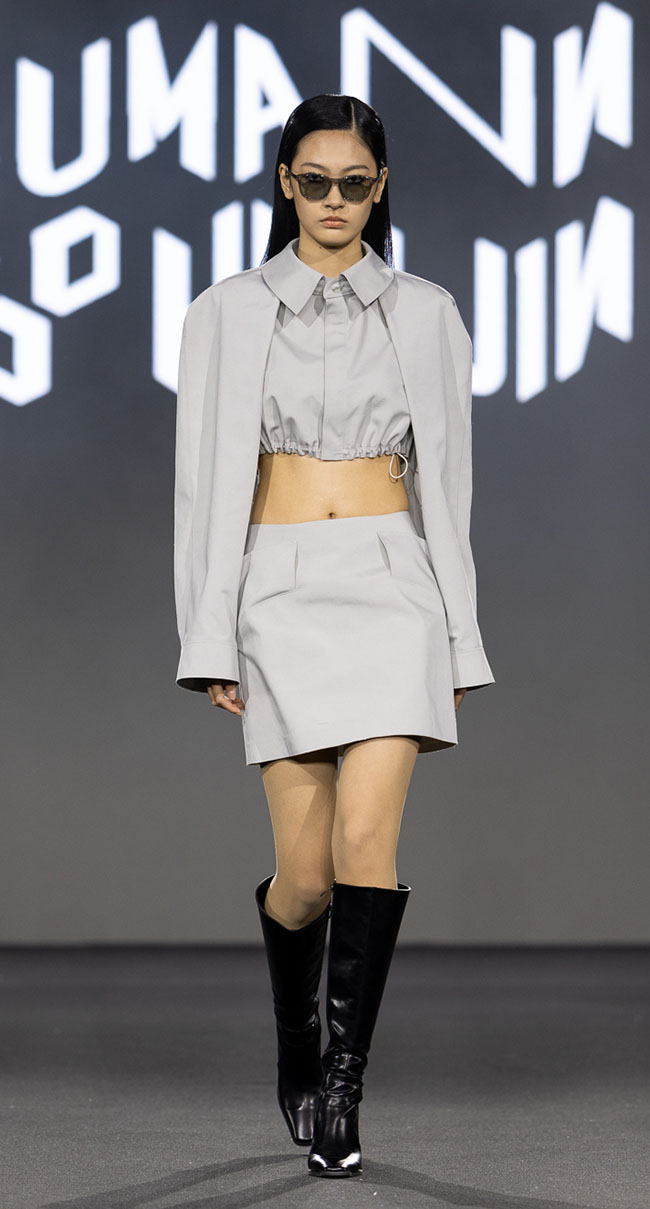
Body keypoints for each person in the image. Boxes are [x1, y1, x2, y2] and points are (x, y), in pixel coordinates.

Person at [173, 93, 495, 1178]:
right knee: (304, 876)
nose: (333, 201)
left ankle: (344, 1089)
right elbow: (201, 486)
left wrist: (459, 637)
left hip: (394, 588)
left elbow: (448, 487)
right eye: (313, 181)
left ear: (379, 187)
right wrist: (208, 634)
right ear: (283, 182)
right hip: (278, 592)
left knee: (367, 845)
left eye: (354, 183)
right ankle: (295, 1038)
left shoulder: (426, 313)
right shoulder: (224, 312)